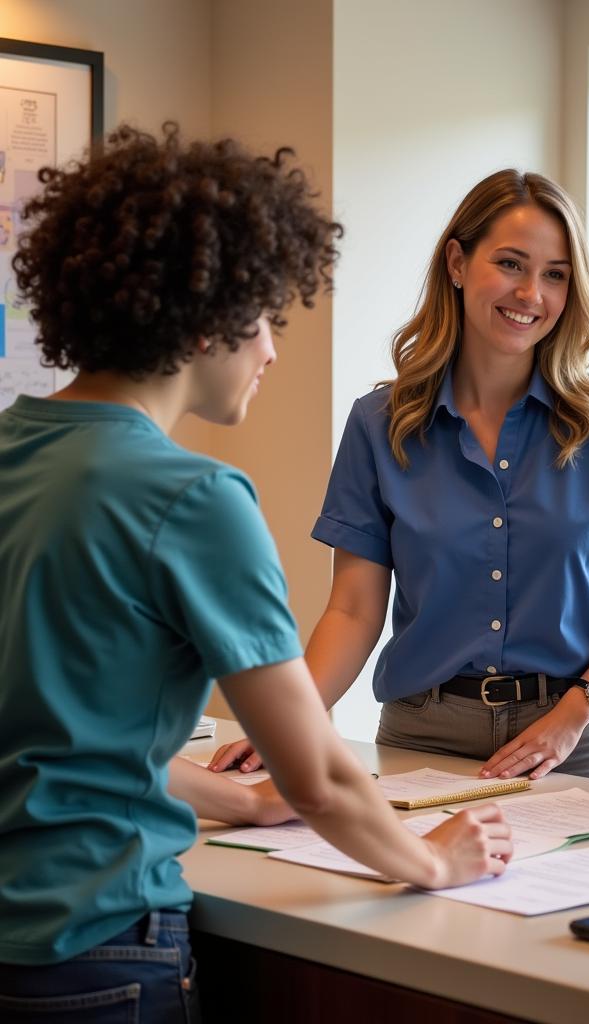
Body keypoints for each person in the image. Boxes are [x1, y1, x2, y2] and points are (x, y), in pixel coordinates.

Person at [0, 123, 510, 1022]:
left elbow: (69, 738)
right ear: (204, 318)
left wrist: (237, 800)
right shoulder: (190, 497)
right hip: (98, 946)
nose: (272, 350)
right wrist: (434, 860)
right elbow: (316, 772)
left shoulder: (13, 453)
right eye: (265, 316)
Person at [211, 169, 589, 783]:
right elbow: (354, 610)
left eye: (555, 275)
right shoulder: (380, 423)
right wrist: (286, 721)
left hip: (574, 740)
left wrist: (575, 714)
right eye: (511, 264)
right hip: (420, 733)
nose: (531, 293)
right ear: (457, 263)